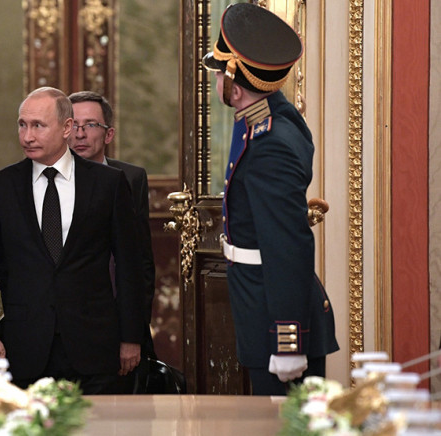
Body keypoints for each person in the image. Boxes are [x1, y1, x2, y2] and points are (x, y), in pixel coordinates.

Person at [0, 87, 144, 394]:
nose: (27, 136)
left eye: (38, 126)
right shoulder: (0, 186)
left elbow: (131, 265)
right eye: (22, 125)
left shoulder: (108, 183)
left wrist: (131, 336)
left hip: (95, 347)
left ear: (66, 128)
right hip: (24, 347)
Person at [202, 3, 338, 395]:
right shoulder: (263, 119)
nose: (215, 81)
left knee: (283, 420)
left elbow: (288, 245)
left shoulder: (270, 143)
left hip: (273, 311)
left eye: (219, 73)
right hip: (257, 297)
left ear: (235, 84)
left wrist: (288, 339)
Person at [67, 91, 157, 392]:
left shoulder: (130, 178)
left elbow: (140, 262)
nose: (80, 134)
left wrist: (134, 333)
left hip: (115, 318)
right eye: (73, 124)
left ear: (109, 134)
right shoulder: (45, 179)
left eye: (90, 125)